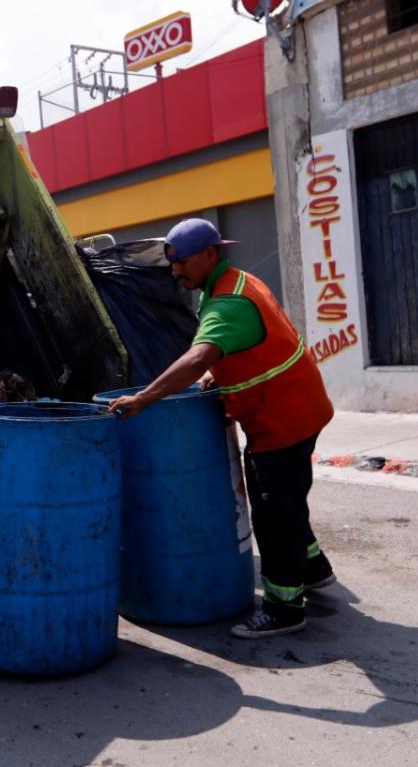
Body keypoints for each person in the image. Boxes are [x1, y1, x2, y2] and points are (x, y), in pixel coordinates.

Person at [109, 219, 336, 639]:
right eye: (172, 264)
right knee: (287, 497)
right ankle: (313, 568)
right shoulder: (237, 282)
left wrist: (143, 399)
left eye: (183, 263)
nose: (176, 272)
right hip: (300, 406)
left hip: (281, 420)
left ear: (211, 253)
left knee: (273, 511)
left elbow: (197, 358)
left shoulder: (226, 304)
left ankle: (285, 608)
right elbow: (250, 341)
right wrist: (222, 372)